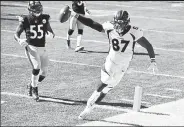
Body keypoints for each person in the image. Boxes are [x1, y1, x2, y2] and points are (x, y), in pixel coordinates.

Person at [73, 10, 158, 119]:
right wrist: (77, 16)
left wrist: (153, 60)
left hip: (123, 65)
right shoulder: (110, 27)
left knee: (107, 89)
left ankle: (90, 107)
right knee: (105, 80)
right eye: (117, 22)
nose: (119, 25)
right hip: (111, 61)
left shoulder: (134, 32)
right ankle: (91, 100)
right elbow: (92, 24)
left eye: (122, 23)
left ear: (127, 22)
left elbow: (148, 45)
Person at [14, 1, 55, 101]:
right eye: (35, 7)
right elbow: (16, 34)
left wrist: (51, 35)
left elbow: (51, 31)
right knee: (36, 67)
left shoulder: (45, 18)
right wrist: (19, 40)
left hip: (43, 47)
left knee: (44, 73)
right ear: (30, 9)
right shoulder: (25, 19)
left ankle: (31, 85)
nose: (38, 9)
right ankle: (35, 90)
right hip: (31, 47)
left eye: (38, 7)